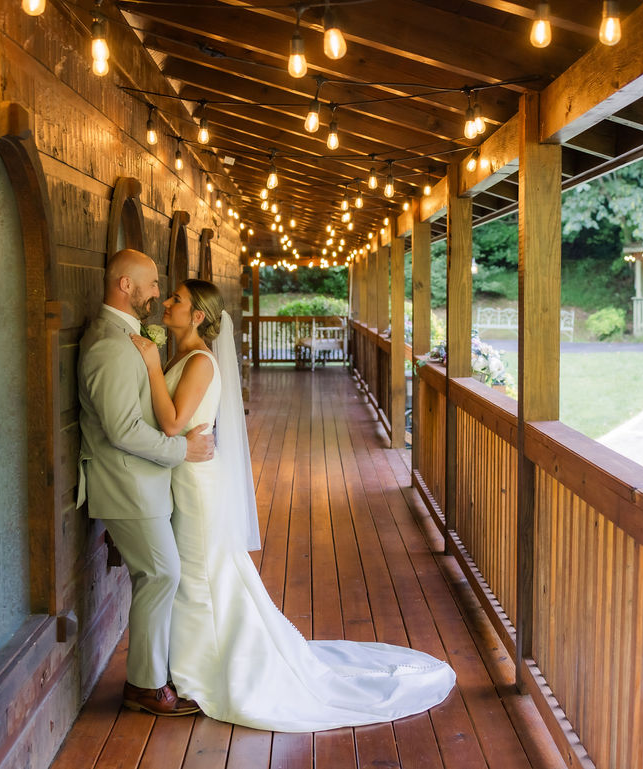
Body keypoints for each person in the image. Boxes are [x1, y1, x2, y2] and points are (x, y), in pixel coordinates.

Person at [129, 279, 456, 732]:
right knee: (197, 573)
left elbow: (172, 422)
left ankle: (202, 669)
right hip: (183, 475)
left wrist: (147, 364)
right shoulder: (180, 355)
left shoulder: (200, 362)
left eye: (177, 300)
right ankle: (194, 663)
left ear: (198, 315)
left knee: (200, 573)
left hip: (195, 485)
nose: (166, 303)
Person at [76, 249, 215, 717]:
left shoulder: (130, 337)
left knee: (158, 574)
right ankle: (145, 686)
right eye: (153, 284)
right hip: (126, 485)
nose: (158, 293)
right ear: (124, 286)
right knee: (162, 574)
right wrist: (183, 451)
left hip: (146, 484)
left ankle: (159, 676)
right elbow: (121, 429)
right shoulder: (110, 344)